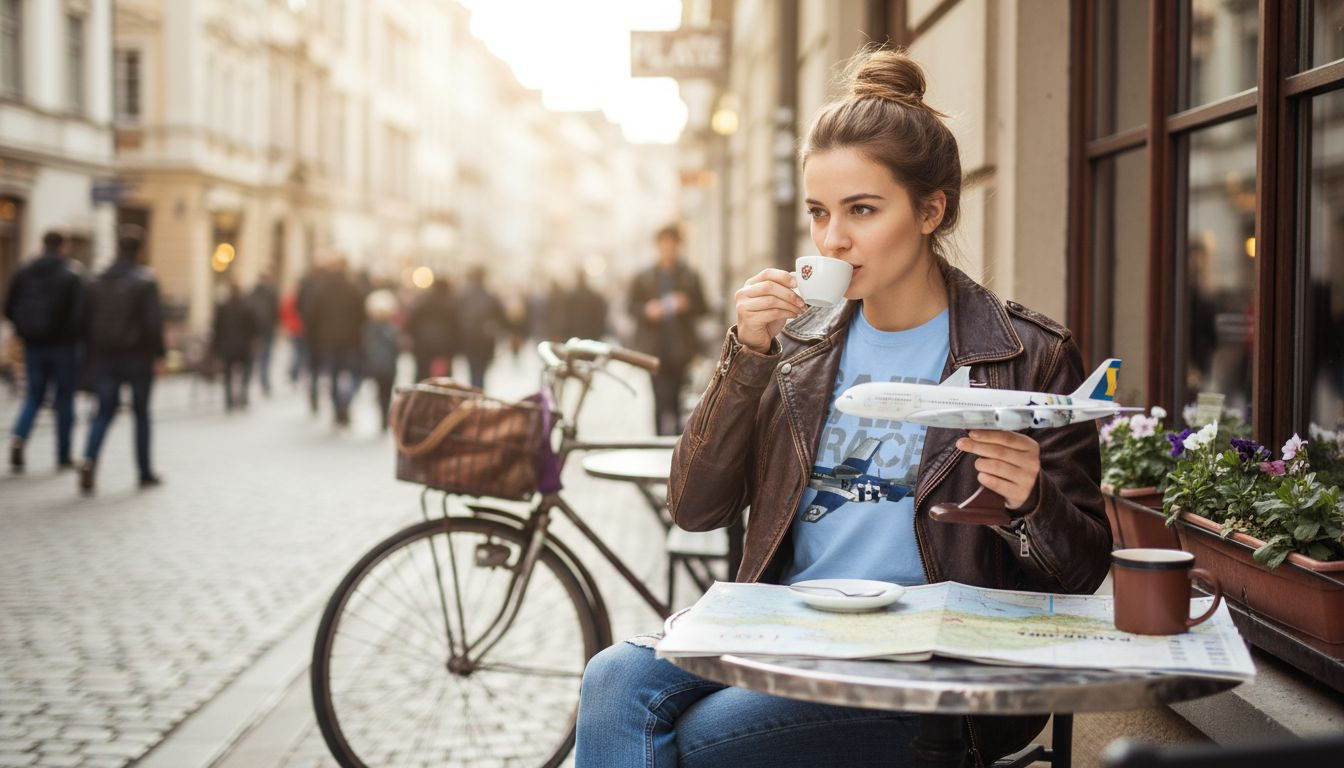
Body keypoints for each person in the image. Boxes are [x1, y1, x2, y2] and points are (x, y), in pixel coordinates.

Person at [576, 49, 1111, 767]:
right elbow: (695, 506)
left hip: (929, 663)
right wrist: (745, 358)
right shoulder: (794, 346)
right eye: (819, 213)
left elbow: (1083, 570)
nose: (832, 240)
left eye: (862, 210)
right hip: (790, 625)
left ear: (930, 210)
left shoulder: (1027, 354)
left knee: (694, 744)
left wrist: (1029, 500)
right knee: (613, 678)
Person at [80, 228, 166, 494]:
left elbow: (85, 319)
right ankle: (144, 471)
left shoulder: (97, 280)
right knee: (141, 413)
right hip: (137, 357)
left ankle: (89, 459)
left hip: (105, 356)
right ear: (140, 251)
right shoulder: (145, 280)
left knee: (103, 410)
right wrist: (160, 355)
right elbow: (154, 323)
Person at [4, 231, 86, 472]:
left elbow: (8, 306)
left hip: (34, 345)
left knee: (34, 395)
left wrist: (24, 331)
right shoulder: (72, 274)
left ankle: (19, 437)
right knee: (64, 398)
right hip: (65, 347)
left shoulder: (24, 270)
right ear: (64, 246)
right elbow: (81, 314)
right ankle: (63, 455)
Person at [628, 224, 707, 435]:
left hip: (682, 350)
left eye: (672, 245)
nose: (668, 250)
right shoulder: (644, 277)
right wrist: (647, 310)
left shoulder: (689, 275)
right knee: (660, 400)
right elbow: (631, 307)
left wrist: (686, 303)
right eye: (664, 245)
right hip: (654, 349)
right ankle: (658, 441)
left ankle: (675, 444)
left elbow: (703, 307)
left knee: (678, 401)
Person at [308, 256, 366, 426]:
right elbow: (361, 316)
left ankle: (337, 408)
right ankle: (345, 403)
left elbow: (312, 317)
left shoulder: (322, 289)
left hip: (327, 341)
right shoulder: (354, 288)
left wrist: (315, 339)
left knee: (333, 376)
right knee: (353, 374)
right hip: (350, 341)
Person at [211, 281, 259, 411]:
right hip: (244, 346)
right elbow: (254, 328)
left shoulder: (223, 306)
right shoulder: (247, 306)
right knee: (246, 371)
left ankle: (229, 400)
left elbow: (216, 328)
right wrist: (254, 342)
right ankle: (243, 395)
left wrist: (215, 347)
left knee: (227, 373)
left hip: (227, 346)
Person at [455, 266, 505, 390]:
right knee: (481, 370)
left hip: (469, 338)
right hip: (485, 338)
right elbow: (501, 317)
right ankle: (478, 390)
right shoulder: (490, 295)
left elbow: (455, 317)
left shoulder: (462, 295)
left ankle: (475, 390)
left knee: (473, 368)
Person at [362, 289, 401, 432]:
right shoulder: (391, 328)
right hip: (387, 366)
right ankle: (385, 417)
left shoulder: (369, 328)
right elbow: (397, 347)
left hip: (377, 366)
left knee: (381, 393)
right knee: (386, 393)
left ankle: (384, 417)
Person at [406, 276, 457, 381]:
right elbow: (456, 326)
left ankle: (421, 394)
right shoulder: (450, 303)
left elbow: (412, 322)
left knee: (422, 373)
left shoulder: (422, 301)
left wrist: (414, 337)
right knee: (443, 377)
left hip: (423, 343)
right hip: (444, 345)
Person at [248, 270, 280, 396]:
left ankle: (261, 378)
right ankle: (264, 380)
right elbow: (276, 311)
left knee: (259, 355)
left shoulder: (254, 292)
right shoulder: (272, 291)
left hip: (257, 330)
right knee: (266, 356)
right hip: (267, 330)